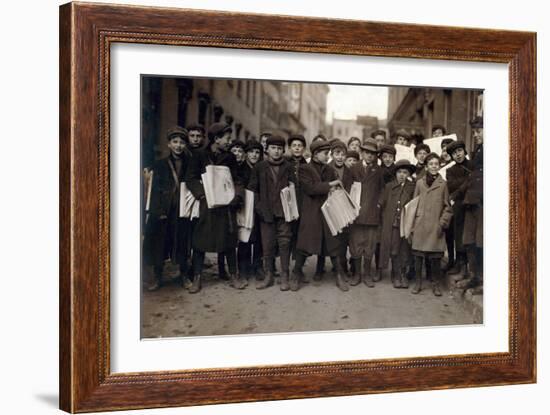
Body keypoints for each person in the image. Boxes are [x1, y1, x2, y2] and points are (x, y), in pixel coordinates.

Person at [185, 122, 247, 293]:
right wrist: (202, 195)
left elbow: (237, 180)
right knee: (200, 240)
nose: (230, 141)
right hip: (206, 204)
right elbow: (190, 178)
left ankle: (233, 275)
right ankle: (197, 277)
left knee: (228, 239)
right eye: (227, 138)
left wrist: (237, 196)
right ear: (216, 139)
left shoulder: (230, 158)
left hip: (226, 205)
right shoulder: (198, 156)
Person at [293, 140, 348, 291]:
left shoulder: (329, 170)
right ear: (316, 154)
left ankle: (339, 275)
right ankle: (296, 274)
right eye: (325, 154)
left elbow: (332, 189)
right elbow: (310, 188)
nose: (328, 156)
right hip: (311, 212)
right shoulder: (304, 169)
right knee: (304, 245)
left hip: (327, 211)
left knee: (333, 243)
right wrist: (330, 185)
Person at [143, 126, 193, 291]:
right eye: (175, 142)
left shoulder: (190, 164)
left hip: (183, 209)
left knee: (183, 242)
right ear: (169, 144)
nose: (178, 145)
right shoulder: (160, 165)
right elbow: (154, 190)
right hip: (165, 210)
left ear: (185, 145)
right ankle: (158, 277)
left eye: (181, 142)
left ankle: (184, 276)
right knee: (160, 243)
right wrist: (158, 211)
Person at [248, 135, 295, 291]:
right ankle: (268, 275)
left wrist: (291, 207)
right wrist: (259, 207)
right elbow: (253, 190)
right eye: (273, 148)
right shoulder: (259, 167)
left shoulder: (288, 167)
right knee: (267, 244)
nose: (276, 151)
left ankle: (284, 275)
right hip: (266, 213)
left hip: (284, 212)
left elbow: (294, 188)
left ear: (283, 150)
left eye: (280, 148)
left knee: (284, 242)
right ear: (267, 150)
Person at [410, 152, 453, 296]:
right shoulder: (420, 183)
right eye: (431, 164)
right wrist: (412, 223)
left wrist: (442, 223)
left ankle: (436, 284)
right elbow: (413, 204)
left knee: (435, 258)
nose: (434, 167)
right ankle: (418, 283)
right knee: (418, 256)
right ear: (426, 167)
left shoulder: (443, 184)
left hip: (435, 225)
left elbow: (447, 207)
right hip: (420, 224)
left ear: (439, 166)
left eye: (436, 164)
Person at [349, 137, 385, 287]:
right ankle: (357, 274)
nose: (370, 155)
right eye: (367, 152)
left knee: (369, 245)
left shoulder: (378, 171)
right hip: (356, 213)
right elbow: (347, 188)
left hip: (371, 214)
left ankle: (367, 275)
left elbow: (383, 190)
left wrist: (378, 204)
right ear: (362, 152)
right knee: (356, 245)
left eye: (373, 153)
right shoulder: (353, 169)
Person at [378, 159, 416, 288]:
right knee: (394, 250)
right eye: (399, 172)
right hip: (392, 224)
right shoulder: (389, 186)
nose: (402, 175)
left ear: (409, 174)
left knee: (405, 249)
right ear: (395, 173)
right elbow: (381, 203)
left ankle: (403, 274)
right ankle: (396, 275)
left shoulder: (412, 187)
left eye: (405, 172)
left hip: (405, 224)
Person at [457, 117, 484, 292]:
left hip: (483, 203)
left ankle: (482, 280)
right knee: (470, 240)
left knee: (482, 241)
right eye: (474, 131)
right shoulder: (478, 150)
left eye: (479, 131)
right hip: (472, 202)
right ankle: (475, 277)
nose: (475, 135)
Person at [446, 140, 475, 278]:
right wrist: (467, 181)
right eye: (454, 153)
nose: (457, 155)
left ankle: (472, 267)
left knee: (471, 235)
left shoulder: (473, 165)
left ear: (464, 151)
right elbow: (451, 186)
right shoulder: (450, 170)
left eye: (459, 151)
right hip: (459, 207)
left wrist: (460, 188)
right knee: (459, 234)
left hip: (472, 205)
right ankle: (461, 264)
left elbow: (475, 181)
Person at [236, 141, 264, 281]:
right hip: (245, 205)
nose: (254, 155)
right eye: (251, 152)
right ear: (246, 153)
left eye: (257, 152)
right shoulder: (240, 169)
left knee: (259, 238)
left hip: (259, 206)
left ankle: (257, 266)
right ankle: (243, 268)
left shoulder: (262, 169)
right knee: (244, 237)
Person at [329, 139, 354, 274]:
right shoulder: (327, 169)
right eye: (337, 153)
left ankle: (342, 266)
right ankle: (328, 266)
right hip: (330, 206)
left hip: (344, 207)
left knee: (343, 238)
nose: (340, 157)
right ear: (332, 154)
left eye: (343, 154)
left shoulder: (349, 172)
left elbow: (351, 189)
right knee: (331, 238)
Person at [286, 134, 308, 276]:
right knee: (287, 237)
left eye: (300, 146)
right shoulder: (285, 164)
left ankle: (298, 269)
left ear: (304, 148)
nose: (297, 148)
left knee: (302, 238)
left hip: (304, 205)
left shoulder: (307, 166)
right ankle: (285, 269)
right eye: (294, 145)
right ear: (290, 148)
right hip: (288, 205)